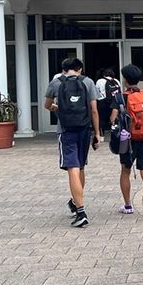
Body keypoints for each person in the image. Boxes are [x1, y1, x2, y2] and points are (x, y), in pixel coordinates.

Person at [43, 58, 101, 228]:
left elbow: (47, 105)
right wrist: (97, 133)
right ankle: (76, 204)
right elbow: (94, 110)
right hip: (84, 129)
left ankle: (81, 211)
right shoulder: (88, 82)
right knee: (80, 167)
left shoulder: (56, 83)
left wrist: (58, 108)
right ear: (80, 69)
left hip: (66, 130)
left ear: (64, 70)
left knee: (72, 168)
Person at [110, 64, 143, 218]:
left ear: (125, 80)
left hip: (128, 140)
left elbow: (113, 118)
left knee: (126, 171)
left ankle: (128, 205)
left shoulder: (120, 97)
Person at [95, 68, 120, 139]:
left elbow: (96, 91)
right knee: (114, 118)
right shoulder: (116, 81)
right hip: (114, 101)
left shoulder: (100, 81)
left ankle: (102, 136)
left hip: (103, 101)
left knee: (101, 118)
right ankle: (114, 134)